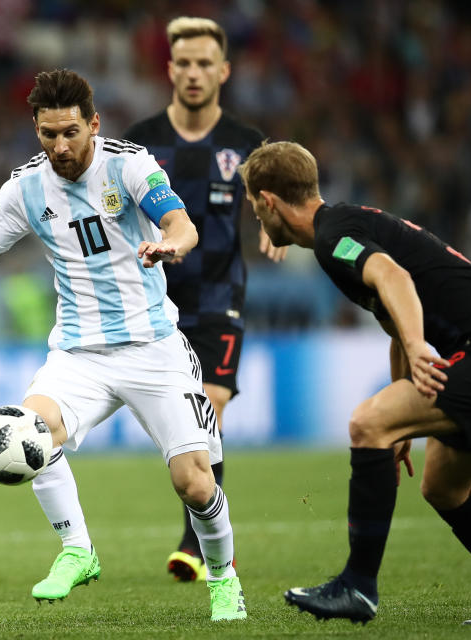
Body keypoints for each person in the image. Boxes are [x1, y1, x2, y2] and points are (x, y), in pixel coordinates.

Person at [0, 69, 246, 622]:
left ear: (93, 123)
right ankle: (77, 550)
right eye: (48, 135)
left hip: (153, 346)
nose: (61, 146)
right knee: (29, 431)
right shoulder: (23, 187)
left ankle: (223, 578)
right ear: (35, 130)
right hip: (78, 352)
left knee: (193, 481)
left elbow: (183, 224)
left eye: (71, 132)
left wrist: (169, 245)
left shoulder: (129, 164)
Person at [240, 140, 471, 625]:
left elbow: (394, 279)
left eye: (254, 209)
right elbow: (393, 317)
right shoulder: (347, 223)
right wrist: (404, 422)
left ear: (268, 201)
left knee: (366, 422)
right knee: (443, 488)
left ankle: (358, 586)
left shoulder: (333, 237)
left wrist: (417, 349)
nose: (258, 223)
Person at [123, 15, 286, 582]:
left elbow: (286, 198)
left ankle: (196, 541)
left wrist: (275, 224)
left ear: (224, 70)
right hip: (155, 305)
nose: (193, 73)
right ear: (170, 69)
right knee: (182, 426)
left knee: (208, 408)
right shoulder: (140, 142)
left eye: (203, 64)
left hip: (220, 297)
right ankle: (208, 529)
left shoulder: (246, 144)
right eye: (183, 63)